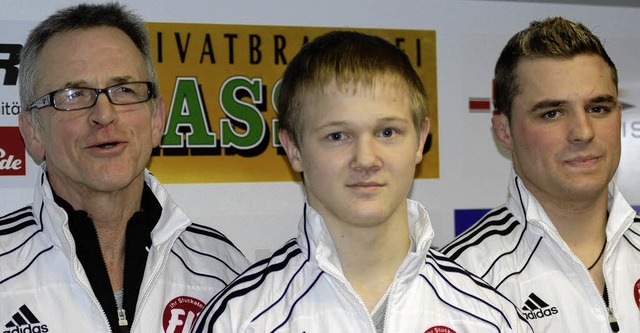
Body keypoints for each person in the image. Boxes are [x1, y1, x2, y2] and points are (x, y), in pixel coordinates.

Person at [191, 30, 532, 333]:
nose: (366, 159)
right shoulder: (236, 320)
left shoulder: (491, 318)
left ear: (420, 139)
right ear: (293, 149)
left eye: (387, 132)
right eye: (338, 135)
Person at [0, 3, 249, 333]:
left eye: (124, 90)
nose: (104, 115)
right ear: (32, 131)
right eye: (73, 94)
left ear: (157, 119)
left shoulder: (223, 272)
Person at [440, 17, 640, 333]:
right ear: (504, 132)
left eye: (598, 108)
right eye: (552, 113)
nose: (583, 132)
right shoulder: (458, 279)